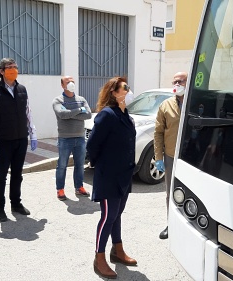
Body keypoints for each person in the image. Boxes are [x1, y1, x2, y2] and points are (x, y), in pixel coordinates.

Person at [86, 77, 137, 279]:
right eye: (125, 88)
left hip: (125, 175)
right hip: (108, 176)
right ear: (114, 92)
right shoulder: (106, 115)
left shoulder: (126, 115)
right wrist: (100, 165)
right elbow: (92, 144)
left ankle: (117, 251)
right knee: (108, 217)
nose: (128, 90)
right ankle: (99, 258)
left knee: (117, 214)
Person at [0, 58, 38, 222]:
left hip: (20, 139)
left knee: (17, 174)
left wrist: (32, 134)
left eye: (15, 67)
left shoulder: (22, 89)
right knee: (1, 176)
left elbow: (28, 113)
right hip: (2, 141)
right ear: (1, 71)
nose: (13, 70)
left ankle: (16, 204)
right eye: (9, 67)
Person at [154, 71, 188, 240]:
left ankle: (190, 226)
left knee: (191, 193)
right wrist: (158, 157)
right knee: (171, 192)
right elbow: (158, 132)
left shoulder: (196, 104)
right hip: (170, 156)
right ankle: (171, 224)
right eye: (175, 81)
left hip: (191, 159)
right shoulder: (166, 105)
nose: (177, 84)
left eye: (180, 81)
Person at [52, 75, 92, 200]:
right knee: (62, 165)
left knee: (80, 165)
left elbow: (89, 114)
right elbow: (62, 114)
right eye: (68, 82)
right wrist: (79, 110)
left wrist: (71, 113)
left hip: (80, 138)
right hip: (65, 138)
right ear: (62, 85)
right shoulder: (58, 100)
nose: (71, 83)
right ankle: (60, 189)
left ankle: (79, 187)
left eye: (72, 81)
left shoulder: (81, 99)